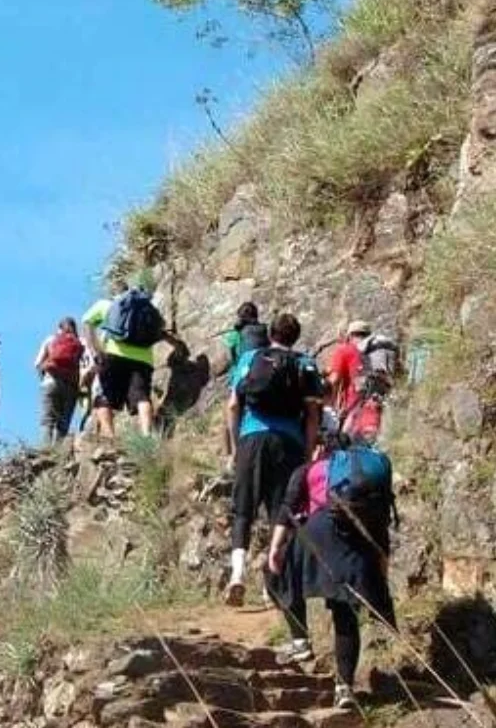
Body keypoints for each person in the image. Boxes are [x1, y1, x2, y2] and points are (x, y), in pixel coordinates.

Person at [266, 434, 397, 709]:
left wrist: (275, 548)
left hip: (317, 532)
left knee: (279, 576)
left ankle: (300, 640)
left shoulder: (310, 469)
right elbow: (381, 533)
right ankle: (344, 688)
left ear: (324, 449)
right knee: (345, 612)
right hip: (359, 544)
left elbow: (286, 510)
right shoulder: (370, 480)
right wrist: (380, 578)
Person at [225, 313, 324, 606]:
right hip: (289, 443)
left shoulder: (251, 357)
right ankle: (271, 586)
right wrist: (307, 455)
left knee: (243, 511)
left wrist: (234, 447)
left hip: (251, 438)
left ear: (271, 334)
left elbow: (233, 405)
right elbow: (313, 417)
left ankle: (238, 575)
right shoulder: (305, 364)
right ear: (295, 337)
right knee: (280, 514)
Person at [81, 284, 177, 438]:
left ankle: (110, 436)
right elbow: (160, 330)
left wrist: (96, 350)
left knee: (105, 396)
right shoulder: (145, 307)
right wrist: (176, 344)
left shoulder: (107, 305)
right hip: (143, 359)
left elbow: (87, 323)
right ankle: (147, 435)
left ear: (115, 293)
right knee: (142, 396)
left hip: (114, 355)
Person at [222, 302, 269, 463]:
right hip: (261, 377)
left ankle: (231, 455)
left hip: (240, 376)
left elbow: (233, 356)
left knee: (231, 414)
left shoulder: (235, 334)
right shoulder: (264, 331)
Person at [34, 318, 84, 444]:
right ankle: (58, 453)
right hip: (71, 386)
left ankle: (46, 452)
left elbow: (37, 364)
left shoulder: (50, 340)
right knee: (63, 422)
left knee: (48, 420)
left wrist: (44, 378)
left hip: (50, 382)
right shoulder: (80, 343)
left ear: (59, 328)